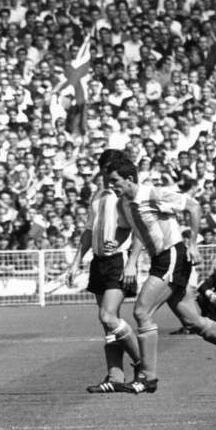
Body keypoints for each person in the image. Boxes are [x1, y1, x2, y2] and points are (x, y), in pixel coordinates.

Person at [106, 158, 216, 395]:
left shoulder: (153, 194)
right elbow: (129, 228)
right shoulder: (122, 204)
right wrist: (115, 241)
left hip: (173, 255)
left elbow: (193, 206)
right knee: (193, 322)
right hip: (160, 259)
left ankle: (148, 377)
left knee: (142, 311)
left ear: (130, 179)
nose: (111, 186)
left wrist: (193, 243)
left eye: (114, 181)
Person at [67, 149, 141, 394]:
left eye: (111, 169)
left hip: (118, 260)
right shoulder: (99, 196)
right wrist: (76, 260)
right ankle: (115, 376)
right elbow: (89, 230)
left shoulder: (125, 195)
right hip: (99, 261)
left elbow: (137, 229)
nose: (107, 173)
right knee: (108, 325)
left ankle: (144, 364)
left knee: (108, 316)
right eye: (105, 168)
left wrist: (131, 261)